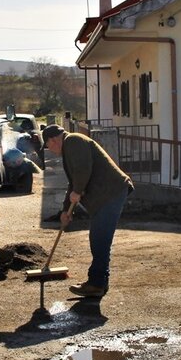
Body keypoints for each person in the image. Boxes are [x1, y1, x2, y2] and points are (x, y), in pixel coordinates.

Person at [42, 124, 133, 298]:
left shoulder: (74, 141)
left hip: (111, 193)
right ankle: (99, 283)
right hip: (106, 195)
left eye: (48, 146)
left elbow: (84, 169)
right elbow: (74, 181)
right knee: (100, 239)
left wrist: (78, 190)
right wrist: (65, 211)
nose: (50, 150)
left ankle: (96, 283)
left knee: (99, 239)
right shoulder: (70, 148)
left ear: (53, 140)